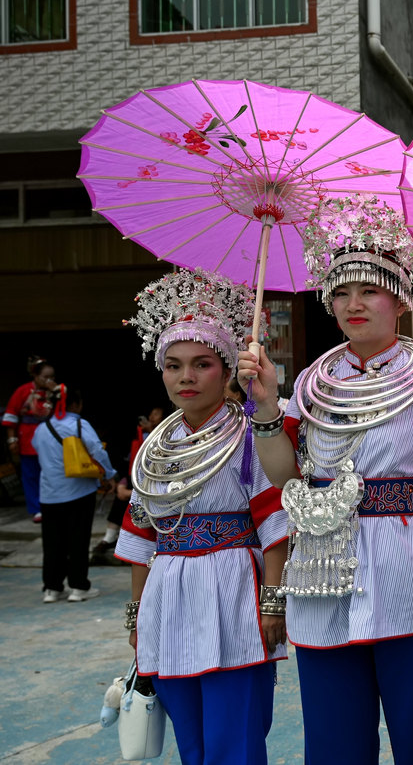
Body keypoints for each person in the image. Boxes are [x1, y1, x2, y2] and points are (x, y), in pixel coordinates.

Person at [238, 194, 413, 765]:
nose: (353, 303)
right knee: (333, 742)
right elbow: (283, 473)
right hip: (321, 572)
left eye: (368, 289)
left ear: (398, 298)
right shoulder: (312, 383)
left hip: (408, 572)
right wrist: (269, 404)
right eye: (341, 291)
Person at [114, 270, 287, 765]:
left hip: (234, 591)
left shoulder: (252, 437)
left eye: (201, 364)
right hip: (168, 597)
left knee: (236, 740)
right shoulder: (155, 447)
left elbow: (276, 527)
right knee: (190, 741)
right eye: (172, 365)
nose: (184, 377)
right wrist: (137, 616)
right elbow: (141, 536)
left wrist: (272, 604)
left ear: (229, 369)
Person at [31, 386, 116, 602]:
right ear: (76, 404)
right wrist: (108, 474)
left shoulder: (41, 429)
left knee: (52, 542)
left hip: (49, 493)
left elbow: (36, 450)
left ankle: (52, 588)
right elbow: (97, 450)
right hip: (78, 490)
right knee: (77, 539)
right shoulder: (78, 424)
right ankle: (78, 587)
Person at [93, 407, 164, 563]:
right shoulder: (138, 435)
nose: (152, 417)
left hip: (158, 480)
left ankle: (115, 539)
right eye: (150, 413)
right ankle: (109, 537)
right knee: (122, 496)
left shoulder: (166, 434)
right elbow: (132, 465)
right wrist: (123, 484)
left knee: (130, 498)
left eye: (156, 414)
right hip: (136, 477)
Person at [5, 356, 62, 522]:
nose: (49, 380)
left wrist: (56, 392)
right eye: (45, 377)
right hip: (28, 437)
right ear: (35, 376)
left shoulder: (57, 391)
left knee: (52, 471)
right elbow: (11, 415)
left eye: (52, 376)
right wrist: (12, 440)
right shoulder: (22, 391)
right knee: (30, 474)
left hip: (51, 436)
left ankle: (53, 505)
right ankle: (36, 509)